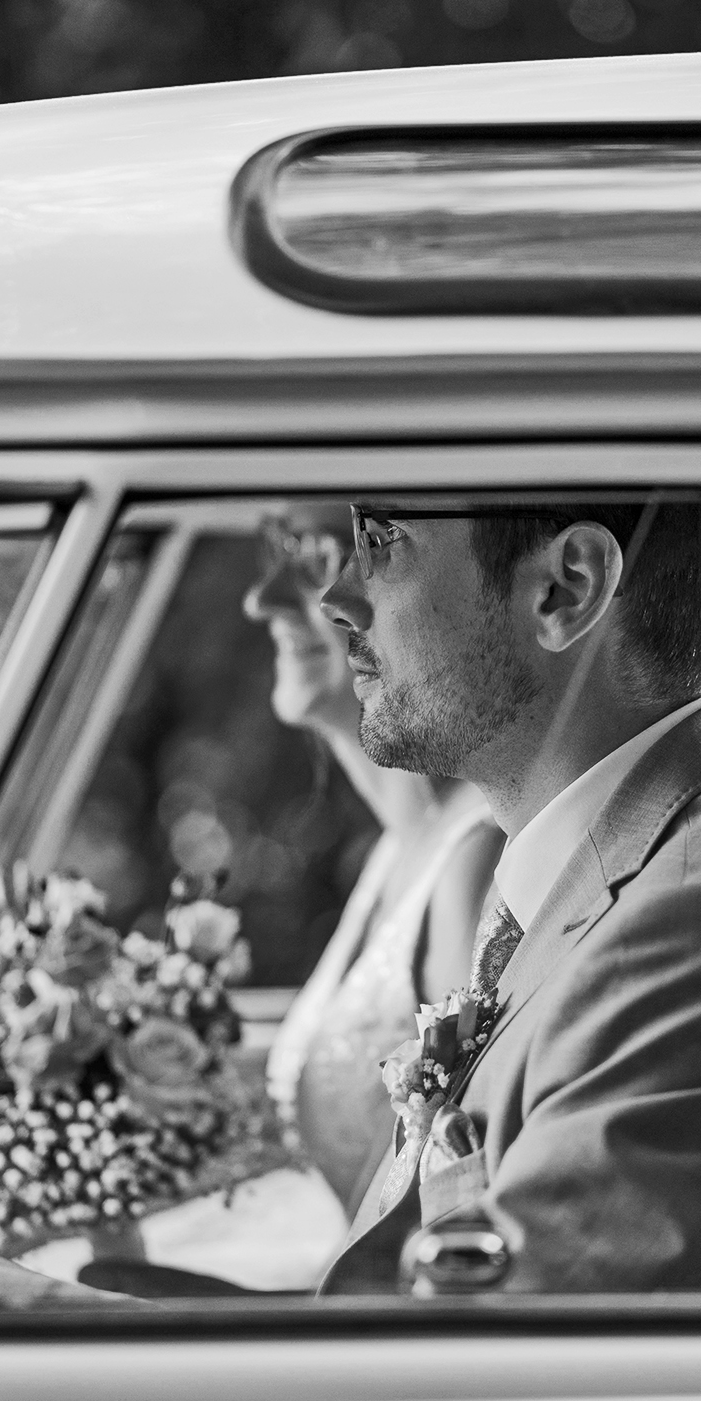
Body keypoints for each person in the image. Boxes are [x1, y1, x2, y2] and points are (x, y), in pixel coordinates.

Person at [318, 497, 701, 1293]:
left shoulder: (696, 940)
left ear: (566, 587)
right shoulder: (662, 875)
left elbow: (502, 1356)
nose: (337, 597)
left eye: (381, 539)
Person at [242, 505, 502, 1218]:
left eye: (316, 556)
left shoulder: (474, 866)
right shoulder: (393, 851)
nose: (262, 599)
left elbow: (451, 1180)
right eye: (277, 554)